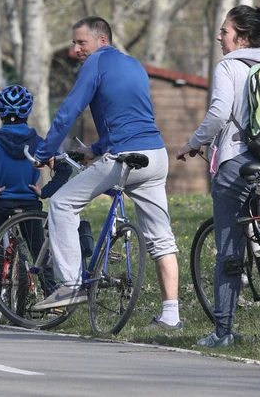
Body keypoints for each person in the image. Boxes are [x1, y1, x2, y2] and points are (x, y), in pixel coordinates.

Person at [30, 17, 184, 331]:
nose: (74, 50)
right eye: (74, 43)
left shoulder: (96, 63)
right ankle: (171, 316)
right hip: (155, 155)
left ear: (101, 41)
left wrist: (43, 153)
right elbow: (131, 117)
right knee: (162, 239)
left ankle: (72, 285)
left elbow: (70, 109)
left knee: (61, 204)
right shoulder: (135, 65)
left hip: (124, 157)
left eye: (80, 43)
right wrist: (95, 148)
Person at [176, 2, 260, 348]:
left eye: (225, 31)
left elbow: (220, 111)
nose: (219, 36)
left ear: (242, 38)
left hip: (238, 162)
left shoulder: (228, 66)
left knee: (229, 249)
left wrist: (195, 142)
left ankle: (222, 332)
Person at [0, 84, 72, 324]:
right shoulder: (39, 143)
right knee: (38, 252)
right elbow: (64, 170)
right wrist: (45, 191)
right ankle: (54, 301)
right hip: (30, 205)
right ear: (28, 111)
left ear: (0, 113)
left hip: (0, 204)